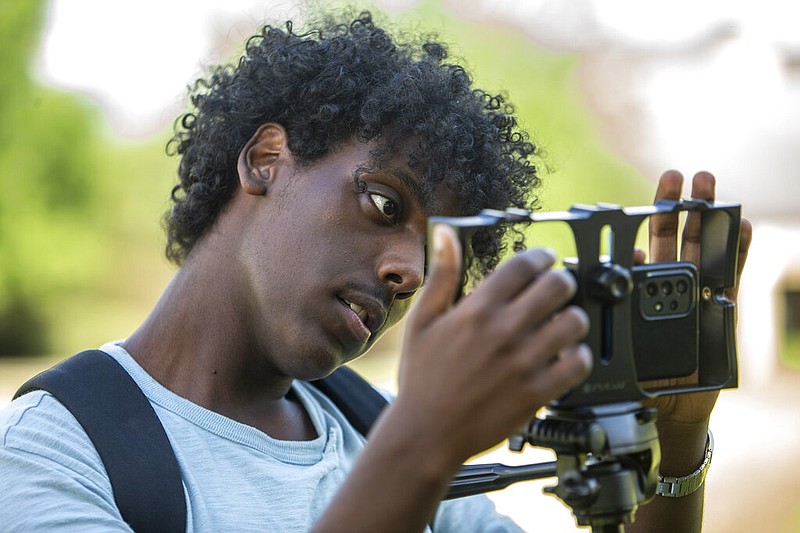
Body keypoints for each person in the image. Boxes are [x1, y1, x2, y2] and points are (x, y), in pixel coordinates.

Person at [0, 9, 752, 532]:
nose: (408, 271)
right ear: (267, 160)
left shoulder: (364, 424)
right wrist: (422, 443)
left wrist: (677, 441)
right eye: (385, 204)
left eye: (433, 251)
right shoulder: (55, 455)